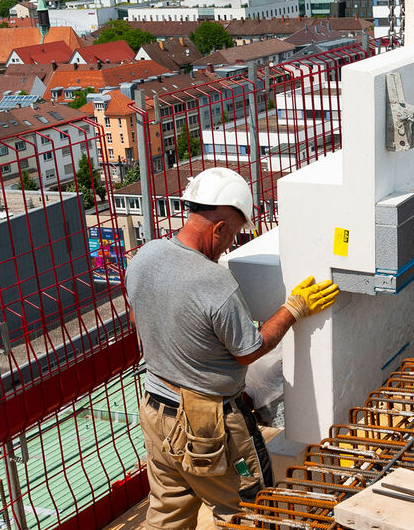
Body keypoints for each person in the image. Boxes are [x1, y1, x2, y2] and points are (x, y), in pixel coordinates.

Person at [126, 167, 339, 529]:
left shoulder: (144, 257)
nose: (230, 245)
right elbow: (249, 350)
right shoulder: (214, 282)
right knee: (250, 513)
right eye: (233, 235)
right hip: (208, 423)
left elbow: (138, 320)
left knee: (168, 511)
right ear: (219, 228)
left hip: (155, 410)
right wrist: (293, 309)